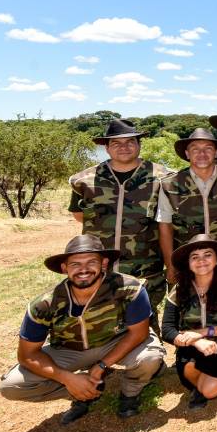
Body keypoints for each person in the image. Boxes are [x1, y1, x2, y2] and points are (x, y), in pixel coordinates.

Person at [0, 235, 165, 424]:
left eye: (91, 262)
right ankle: (85, 392)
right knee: (11, 386)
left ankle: (130, 394)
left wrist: (101, 366)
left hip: (116, 341)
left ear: (104, 263)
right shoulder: (45, 304)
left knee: (150, 357)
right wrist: (67, 378)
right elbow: (27, 355)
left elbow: (139, 333)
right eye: (75, 264)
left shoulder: (129, 288)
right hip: (70, 350)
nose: (83, 269)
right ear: (64, 268)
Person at [68, 119, 169, 322]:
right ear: (106, 147)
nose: (124, 147)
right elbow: (79, 215)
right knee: (99, 323)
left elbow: (168, 223)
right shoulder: (84, 180)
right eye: (116, 143)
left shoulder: (162, 178)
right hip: (98, 270)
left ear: (139, 144)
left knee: (145, 322)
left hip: (145, 271)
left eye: (130, 141)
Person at [161, 234, 217, 410]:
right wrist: (196, 341)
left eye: (208, 255)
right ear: (188, 263)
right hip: (192, 345)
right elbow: (167, 329)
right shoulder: (179, 290)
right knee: (190, 371)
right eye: (195, 257)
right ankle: (206, 380)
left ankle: (215, 376)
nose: (201, 260)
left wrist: (202, 333)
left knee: (209, 390)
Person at [158, 129, 217, 282]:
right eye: (195, 149)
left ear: (216, 152)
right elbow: (165, 225)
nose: (202, 154)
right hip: (186, 261)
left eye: (208, 148)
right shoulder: (170, 184)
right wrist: (170, 264)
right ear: (187, 154)